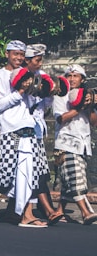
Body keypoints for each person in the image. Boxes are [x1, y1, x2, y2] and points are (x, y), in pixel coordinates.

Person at [0, 40, 47, 228]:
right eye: (15, 54)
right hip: (10, 129)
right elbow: (0, 105)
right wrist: (20, 91)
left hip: (28, 127)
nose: (19, 58)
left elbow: (32, 103)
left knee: (29, 173)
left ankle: (27, 214)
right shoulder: (1, 74)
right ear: (7, 54)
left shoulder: (28, 74)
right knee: (6, 174)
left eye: (22, 55)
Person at [24, 44, 64, 225]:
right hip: (25, 130)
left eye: (41, 60)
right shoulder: (21, 78)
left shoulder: (41, 77)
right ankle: (47, 210)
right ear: (27, 60)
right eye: (37, 60)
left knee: (39, 171)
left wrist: (50, 93)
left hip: (37, 130)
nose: (40, 64)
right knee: (33, 172)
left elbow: (44, 106)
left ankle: (44, 209)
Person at [52, 64, 97, 225]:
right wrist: (80, 108)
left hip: (83, 143)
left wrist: (90, 107)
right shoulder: (60, 95)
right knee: (77, 178)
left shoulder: (86, 96)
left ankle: (59, 211)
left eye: (75, 76)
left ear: (82, 79)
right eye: (69, 76)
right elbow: (61, 118)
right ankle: (86, 212)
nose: (72, 79)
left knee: (68, 179)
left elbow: (94, 123)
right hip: (65, 143)